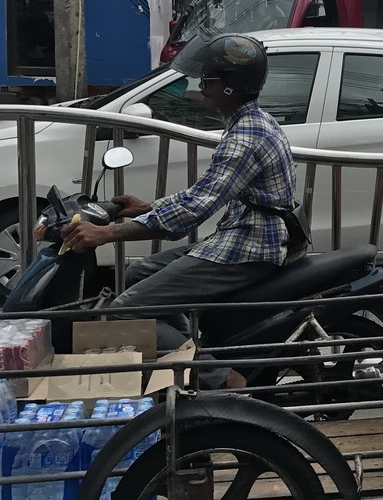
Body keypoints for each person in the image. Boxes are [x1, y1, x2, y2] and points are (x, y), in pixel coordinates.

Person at [61, 33, 298, 388]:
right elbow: (203, 193)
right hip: (242, 235)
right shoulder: (250, 123)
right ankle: (189, 351)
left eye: (210, 79)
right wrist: (148, 207)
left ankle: (222, 378)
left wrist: (107, 234)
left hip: (249, 247)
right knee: (139, 272)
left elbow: (193, 211)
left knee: (124, 310)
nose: (201, 85)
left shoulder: (246, 137)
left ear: (232, 87)